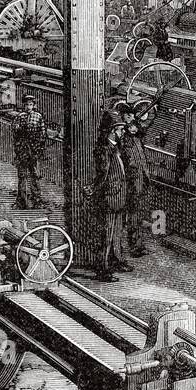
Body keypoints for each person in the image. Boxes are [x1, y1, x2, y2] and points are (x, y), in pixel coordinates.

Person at [88, 115, 129, 281]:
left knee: (116, 233)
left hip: (118, 197)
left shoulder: (115, 147)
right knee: (106, 236)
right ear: (113, 131)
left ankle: (116, 261)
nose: (123, 132)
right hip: (110, 197)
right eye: (121, 129)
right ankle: (103, 270)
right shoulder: (104, 149)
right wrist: (93, 189)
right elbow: (103, 175)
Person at [118, 98, 151, 257]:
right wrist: (126, 130)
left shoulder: (136, 134)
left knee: (136, 213)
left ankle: (137, 245)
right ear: (123, 117)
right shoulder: (122, 137)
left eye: (133, 116)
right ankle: (134, 247)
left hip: (141, 177)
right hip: (131, 179)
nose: (132, 119)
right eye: (128, 116)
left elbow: (143, 128)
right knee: (133, 213)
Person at [12, 92, 49, 209]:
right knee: (22, 175)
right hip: (23, 150)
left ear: (34, 105)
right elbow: (15, 132)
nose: (28, 107)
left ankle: (37, 199)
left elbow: (43, 133)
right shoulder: (19, 117)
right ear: (24, 105)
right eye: (27, 105)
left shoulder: (38, 117)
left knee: (35, 175)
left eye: (31, 105)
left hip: (33, 150)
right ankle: (22, 201)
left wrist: (39, 147)